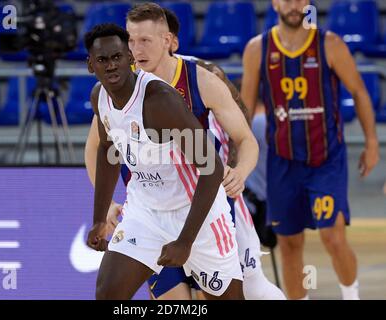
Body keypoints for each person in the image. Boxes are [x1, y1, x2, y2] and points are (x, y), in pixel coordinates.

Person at [86, 3, 285, 300]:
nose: (136, 49)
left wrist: (240, 172)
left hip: (204, 201)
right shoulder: (110, 90)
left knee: (251, 288)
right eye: (131, 40)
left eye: (144, 41)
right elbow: (100, 149)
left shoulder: (198, 79)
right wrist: (104, 212)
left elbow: (243, 140)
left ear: (168, 41)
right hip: (147, 207)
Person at [241, 0, 380, 299]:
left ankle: (351, 295)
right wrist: (237, 153)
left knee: (333, 236)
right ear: (275, 3)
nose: (294, 5)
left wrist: (371, 142)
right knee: (289, 243)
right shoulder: (257, 49)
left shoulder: (329, 44)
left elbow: (359, 91)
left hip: (325, 159)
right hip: (282, 163)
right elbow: (245, 109)